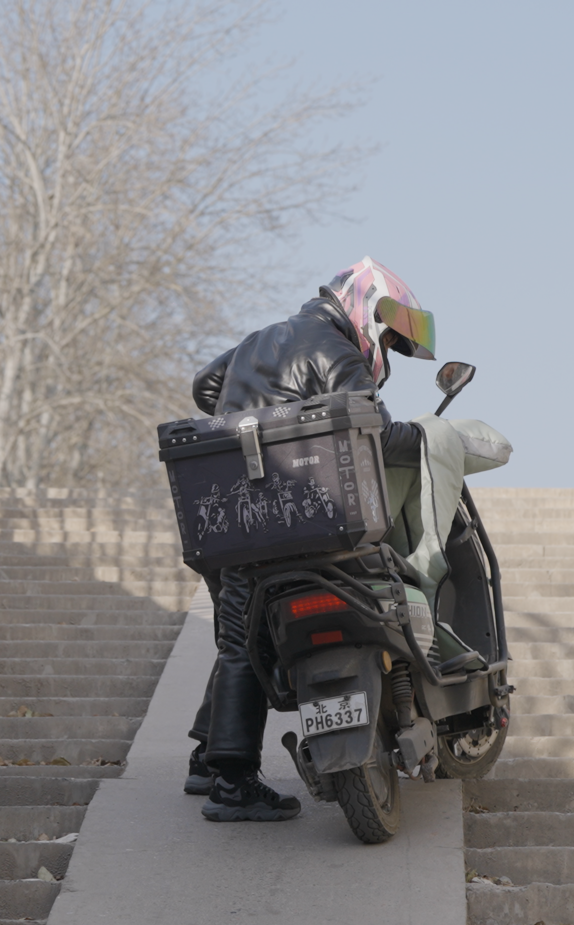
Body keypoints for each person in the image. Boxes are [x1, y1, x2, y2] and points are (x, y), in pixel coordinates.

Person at [182, 257, 439, 821]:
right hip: (304, 520)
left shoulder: (261, 338)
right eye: (389, 338)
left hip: (234, 520)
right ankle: (233, 787)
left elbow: (205, 386)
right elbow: (376, 433)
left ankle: (209, 764)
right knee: (260, 637)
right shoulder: (338, 353)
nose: (387, 349)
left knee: (240, 642)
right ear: (367, 310)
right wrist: (427, 437)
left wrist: (249, 427)